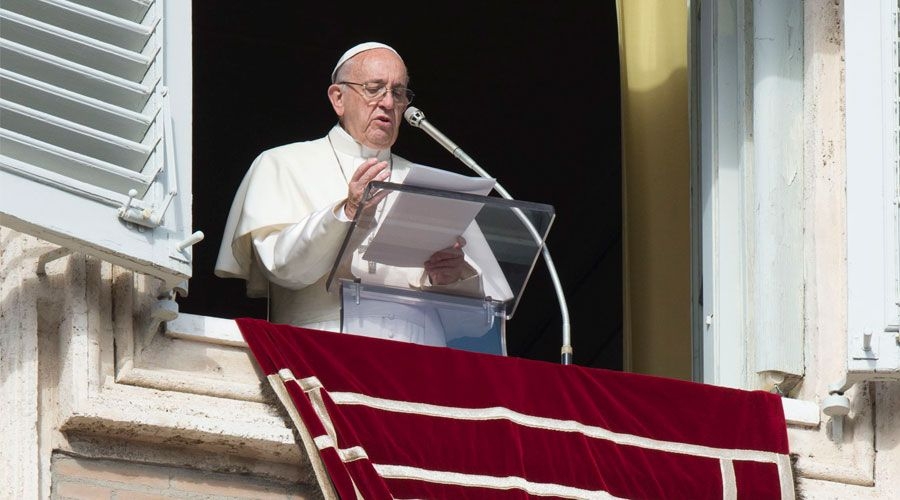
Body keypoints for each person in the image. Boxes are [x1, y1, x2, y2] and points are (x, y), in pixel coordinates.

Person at [215, 42, 491, 347]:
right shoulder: (282, 163)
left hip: (423, 357)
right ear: (338, 98)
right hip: (323, 347)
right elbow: (283, 268)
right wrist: (347, 212)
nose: (387, 102)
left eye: (398, 93)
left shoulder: (431, 185)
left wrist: (453, 279)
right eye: (374, 89)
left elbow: (476, 326)